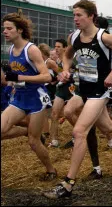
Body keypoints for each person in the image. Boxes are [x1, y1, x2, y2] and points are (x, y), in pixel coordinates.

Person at [43, 0, 112, 199]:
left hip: (100, 92)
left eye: (79, 15)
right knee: (108, 127)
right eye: (74, 15)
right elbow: (68, 55)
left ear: (91, 16)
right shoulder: (74, 36)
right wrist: (67, 70)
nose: (75, 19)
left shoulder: (104, 37)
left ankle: (68, 183)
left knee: (79, 132)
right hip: (83, 89)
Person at [1, 11, 57, 180]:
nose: (5, 32)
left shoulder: (31, 50)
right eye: (4, 28)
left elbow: (47, 76)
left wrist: (19, 77)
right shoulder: (11, 49)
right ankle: (25, 131)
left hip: (36, 99)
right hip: (19, 97)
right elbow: (16, 75)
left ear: (19, 30)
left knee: (34, 142)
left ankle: (51, 170)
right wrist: (11, 82)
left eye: (9, 28)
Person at [48, 38, 76, 148]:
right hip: (60, 89)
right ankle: (54, 140)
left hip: (71, 89)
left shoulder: (70, 61)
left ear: (65, 48)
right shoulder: (56, 62)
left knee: (71, 114)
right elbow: (58, 76)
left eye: (59, 47)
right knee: (54, 114)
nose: (56, 49)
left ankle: (77, 135)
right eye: (55, 47)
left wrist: (65, 76)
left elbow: (73, 75)